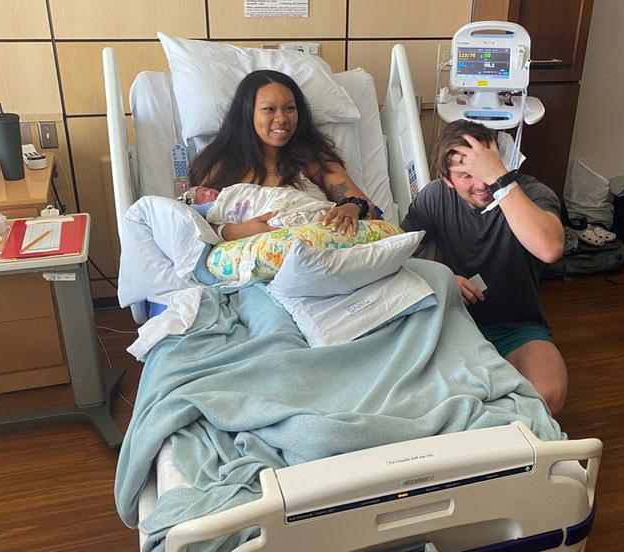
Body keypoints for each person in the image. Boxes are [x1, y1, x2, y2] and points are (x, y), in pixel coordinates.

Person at [400, 120, 567, 415]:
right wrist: (442, 278)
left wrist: (502, 182)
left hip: (514, 325)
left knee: (547, 396)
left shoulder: (531, 194)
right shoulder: (435, 196)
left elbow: (549, 248)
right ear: (446, 178)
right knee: (439, 401)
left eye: (486, 172)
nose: (481, 186)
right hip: (450, 322)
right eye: (465, 175)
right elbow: (395, 258)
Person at [181, 69, 376, 239]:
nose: (282, 119)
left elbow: (373, 213)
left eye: (290, 108)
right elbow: (189, 228)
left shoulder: (314, 160)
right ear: (248, 113)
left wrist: (354, 208)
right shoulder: (219, 166)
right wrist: (232, 231)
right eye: (269, 109)